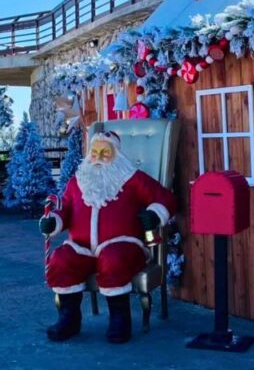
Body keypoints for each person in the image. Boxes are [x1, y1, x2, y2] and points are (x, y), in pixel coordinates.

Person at [39, 130, 176, 343]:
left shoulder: (132, 178)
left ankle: (119, 319)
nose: (99, 157)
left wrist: (155, 214)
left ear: (116, 154)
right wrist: (53, 221)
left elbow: (165, 198)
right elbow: (64, 210)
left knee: (113, 258)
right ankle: (69, 318)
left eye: (105, 151)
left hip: (123, 244)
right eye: (94, 152)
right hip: (82, 247)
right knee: (61, 259)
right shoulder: (78, 181)